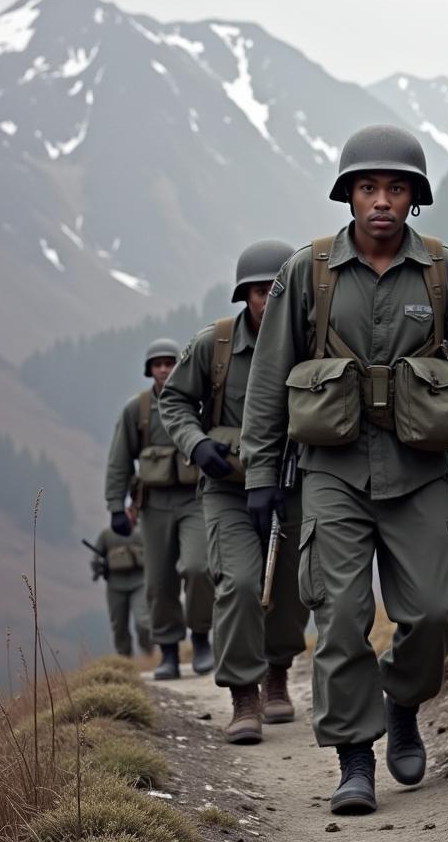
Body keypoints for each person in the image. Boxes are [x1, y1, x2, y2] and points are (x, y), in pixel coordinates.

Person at [241, 125, 448, 814]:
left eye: (396, 188)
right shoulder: (307, 272)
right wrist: (262, 475)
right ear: (348, 195)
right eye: (369, 188)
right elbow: (268, 380)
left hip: (419, 471)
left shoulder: (447, 274)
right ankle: (355, 758)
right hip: (332, 473)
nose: (382, 201)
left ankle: (403, 700)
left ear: (415, 198)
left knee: (435, 612)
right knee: (341, 618)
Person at [160, 240, 309, 744]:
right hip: (229, 489)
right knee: (240, 583)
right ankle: (243, 694)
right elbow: (175, 401)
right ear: (244, 294)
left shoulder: (314, 340)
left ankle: (278, 675)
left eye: (278, 289)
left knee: (290, 590)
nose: (270, 298)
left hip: (294, 485)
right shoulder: (215, 345)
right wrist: (197, 444)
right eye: (261, 290)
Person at [104, 337, 214, 681]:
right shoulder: (136, 410)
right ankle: (167, 650)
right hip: (153, 506)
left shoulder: (198, 402)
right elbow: (119, 459)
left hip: (195, 499)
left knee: (199, 567)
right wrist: (115, 507)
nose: (164, 369)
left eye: (170, 362)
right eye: (158, 364)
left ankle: (200, 638)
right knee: (158, 580)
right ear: (149, 369)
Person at [87, 503, 152, 657]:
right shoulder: (107, 535)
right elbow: (95, 559)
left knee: (143, 622)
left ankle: (149, 653)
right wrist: (99, 566)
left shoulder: (142, 533)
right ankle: (124, 659)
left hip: (140, 584)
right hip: (115, 586)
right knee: (119, 626)